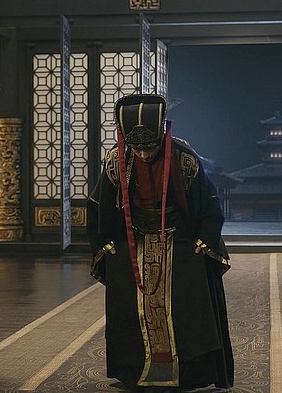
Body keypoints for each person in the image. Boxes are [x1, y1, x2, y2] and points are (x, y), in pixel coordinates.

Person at [87, 93, 234, 391]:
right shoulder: (116, 159)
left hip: (178, 234)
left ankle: (190, 372)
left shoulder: (183, 157)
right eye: (137, 149)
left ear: (162, 136)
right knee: (126, 299)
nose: (143, 154)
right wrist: (103, 241)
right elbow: (99, 203)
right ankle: (133, 369)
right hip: (133, 234)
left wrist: (205, 239)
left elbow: (208, 202)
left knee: (188, 296)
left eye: (150, 148)